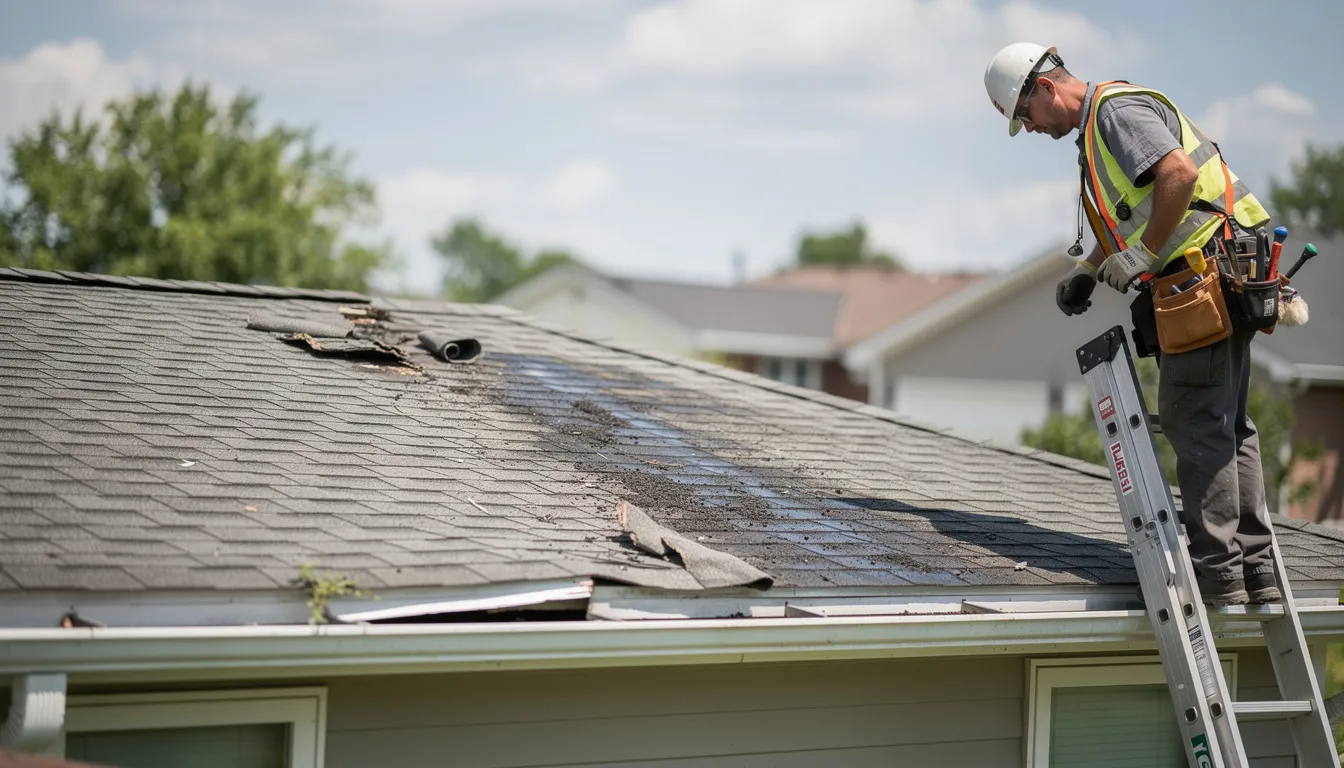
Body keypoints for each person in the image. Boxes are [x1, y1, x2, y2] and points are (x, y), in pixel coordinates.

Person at [983, 43, 1278, 606]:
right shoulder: (1100, 125)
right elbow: (1138, 207)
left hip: (1203, 277)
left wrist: (1143, 254)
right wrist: (1090, 269)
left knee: (1196, 422)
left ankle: (1217, 573)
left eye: (1026, 115)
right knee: (1225, 425)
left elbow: (1178, 175)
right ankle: (1254, 570)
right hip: (1223, 273)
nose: (1032, 128)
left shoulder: (1113, 114)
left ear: (1044, 89)